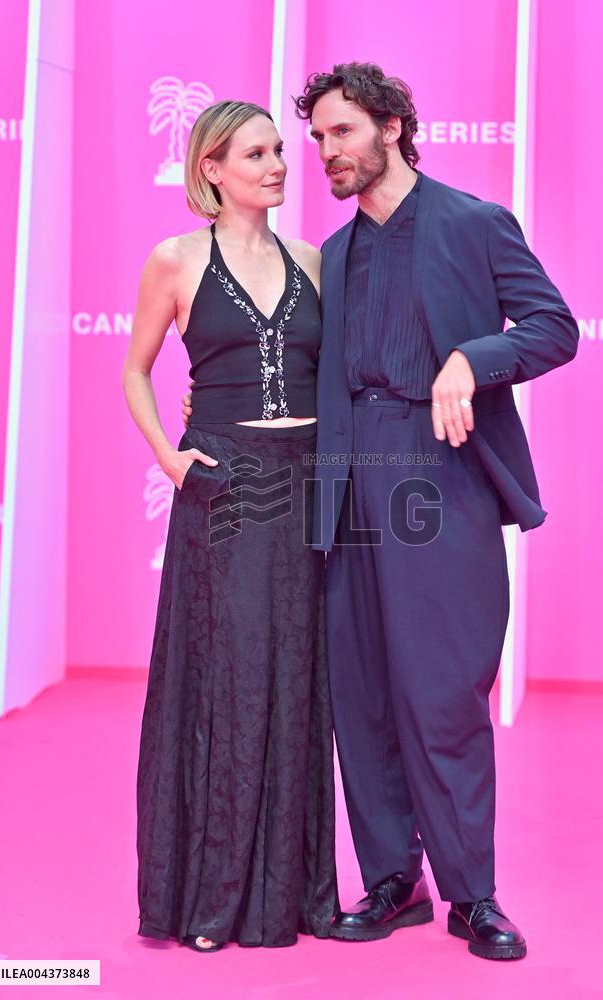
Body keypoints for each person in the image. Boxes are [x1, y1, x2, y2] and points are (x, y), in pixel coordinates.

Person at [292, 62, 579, 961]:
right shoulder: (332, 256)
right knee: (363, 691)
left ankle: (474, 894)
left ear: (392, 125)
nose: (325, 153)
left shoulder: (474, 225)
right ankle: (392, 878)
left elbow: (552, 327)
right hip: (349, 479)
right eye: (317, 140)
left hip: (440, 472)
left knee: (445, 692)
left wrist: (471, 359)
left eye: (341, 133)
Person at [122, 100, 338, 953]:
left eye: (281, 149)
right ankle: (212, 896)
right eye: (258, 152)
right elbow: (136, 372)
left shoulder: (314, 260)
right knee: (229, 678)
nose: (280, 163)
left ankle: (289, 896)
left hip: (307, 484)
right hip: (223, 487)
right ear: (212, 168)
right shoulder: (173, 260)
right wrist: (169, 457)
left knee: (297, 677)